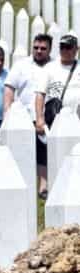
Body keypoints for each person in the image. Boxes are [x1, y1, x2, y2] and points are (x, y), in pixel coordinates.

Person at [4, 33, 52, 199]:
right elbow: (10, 88)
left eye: (43, 48)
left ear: (49, 50)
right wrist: (7, 112)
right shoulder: (21, 65)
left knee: (44, 152)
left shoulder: (53, 66)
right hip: (23, 116)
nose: (38, 51)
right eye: (36, 47)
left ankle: (43, 187)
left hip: (46, 116)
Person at [35, 34, 80, 198]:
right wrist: (39, 118)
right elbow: (40, 94)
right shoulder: (50, 68)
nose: (64, 51)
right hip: (55, 118)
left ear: (76, 49)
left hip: (76, 119)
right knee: (51, 153)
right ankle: (48, 187)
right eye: (62, 47)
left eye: (68, 47)